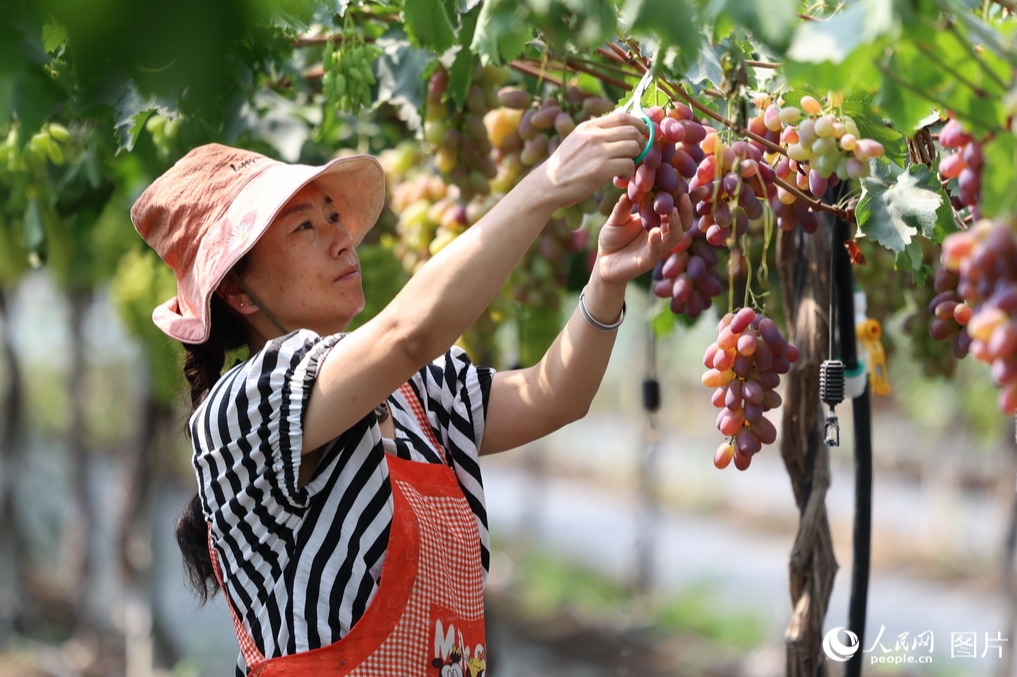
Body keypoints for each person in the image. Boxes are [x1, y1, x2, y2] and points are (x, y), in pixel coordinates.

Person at [131, 111, 690, 676]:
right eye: (305, 228)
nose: (341, 240)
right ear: (239, 293)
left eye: (334, 216)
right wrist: (546, 185)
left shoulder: (415, 393)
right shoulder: (245, 407)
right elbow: (408, 333)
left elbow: (553, 397)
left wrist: (607, 281)